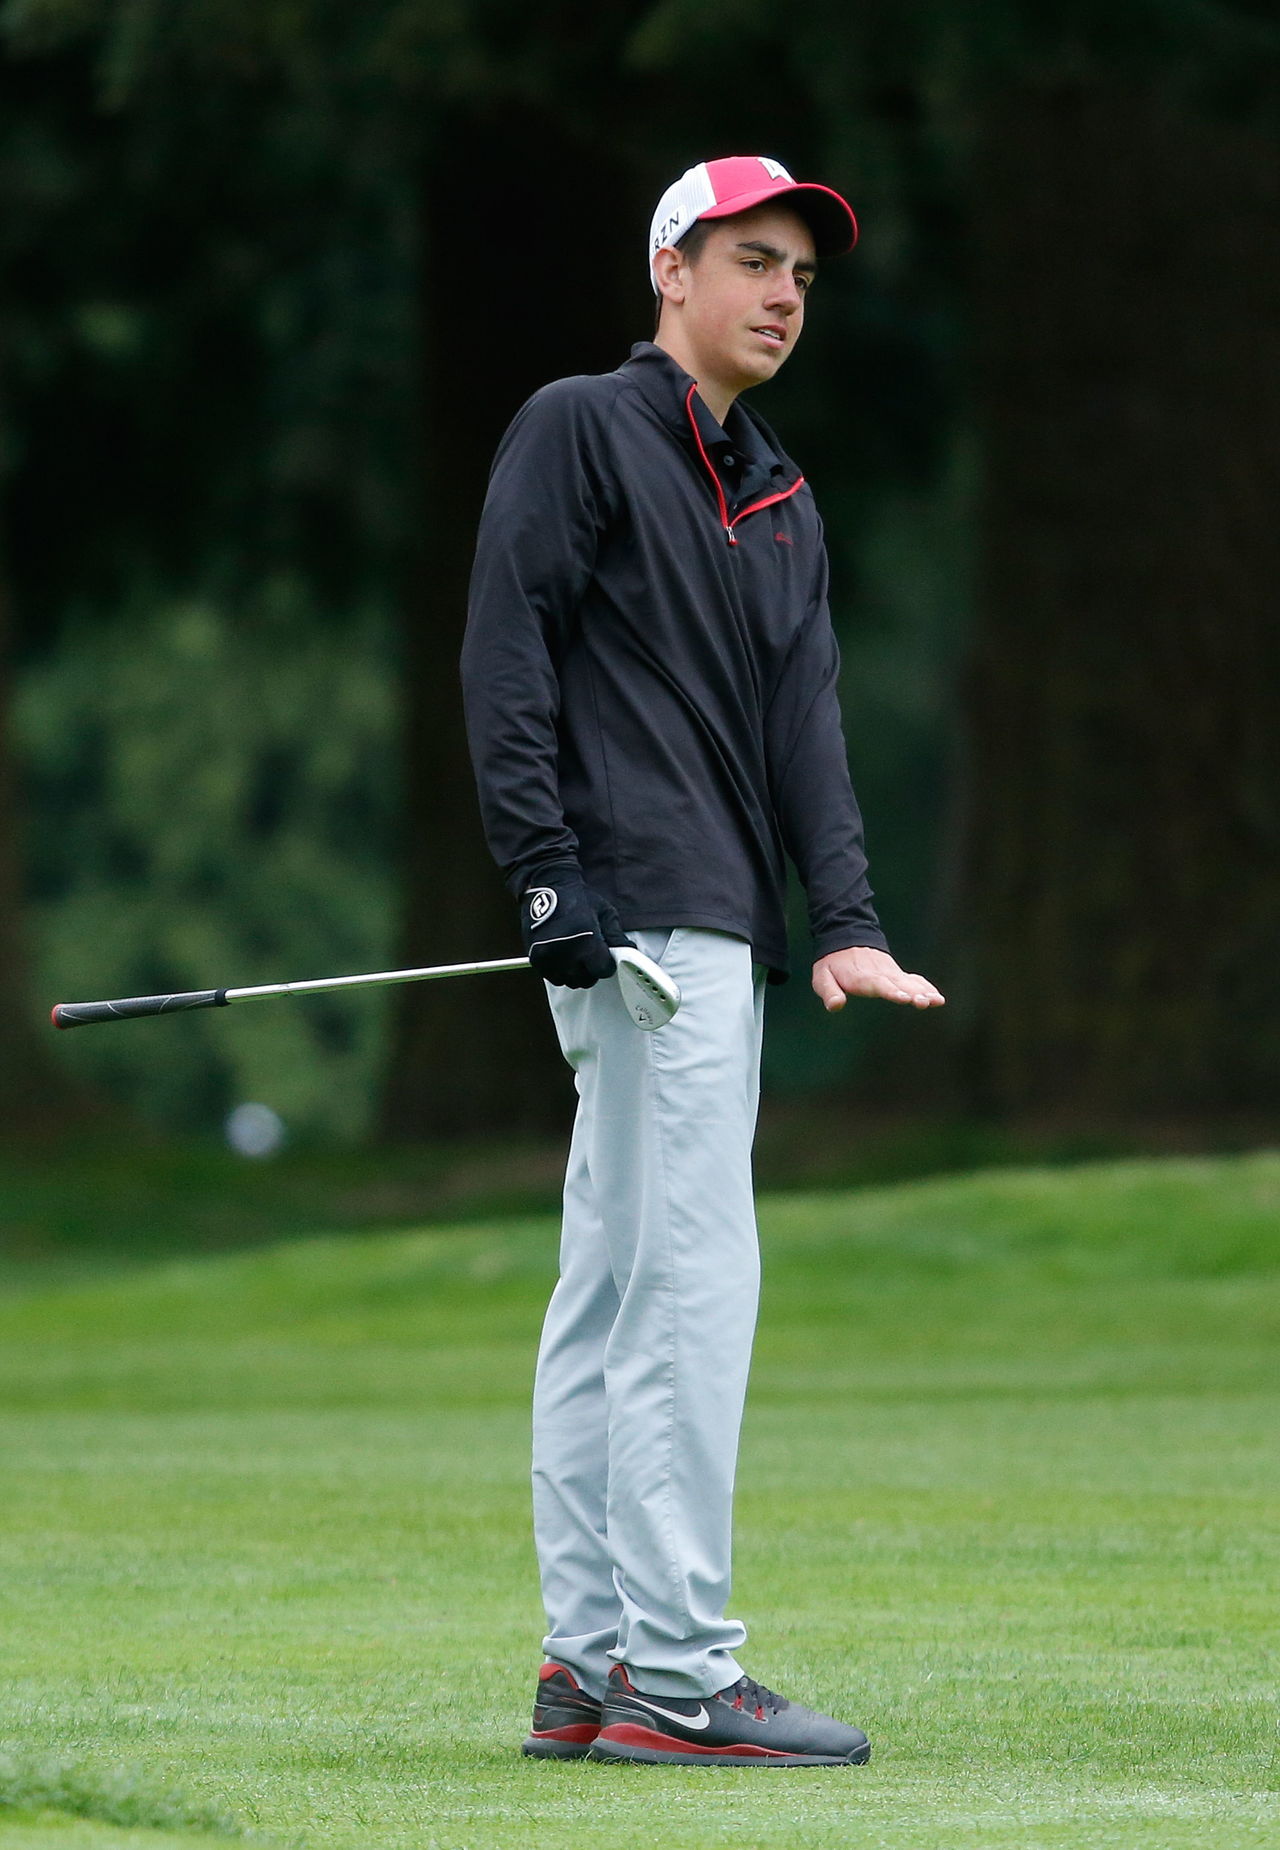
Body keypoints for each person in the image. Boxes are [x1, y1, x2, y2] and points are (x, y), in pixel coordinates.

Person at [461, 155, 945, 1769]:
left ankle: (593, 1663)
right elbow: (507, 654)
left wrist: (852, 923)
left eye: (802, 271)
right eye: (753, 259)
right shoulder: (580, 428)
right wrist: (543, 879)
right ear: (671, 267)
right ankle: (678, 1669)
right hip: (637, 928)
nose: (784, 293)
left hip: (709, 930)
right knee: (681, 1291)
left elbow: (804, 731)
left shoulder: (783, 498)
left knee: (616, 1290)